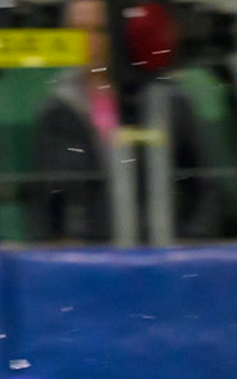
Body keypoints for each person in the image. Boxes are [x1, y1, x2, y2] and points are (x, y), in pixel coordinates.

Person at [28, 0, 220, 243]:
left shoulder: (166, 102)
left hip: (164, 262)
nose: (86, 41)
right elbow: (46, 211)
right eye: (75, 31)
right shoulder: (58, 111)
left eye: (97, 30)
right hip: (92, 268)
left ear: (119, 33)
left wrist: (189, 250)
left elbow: (203, 193)